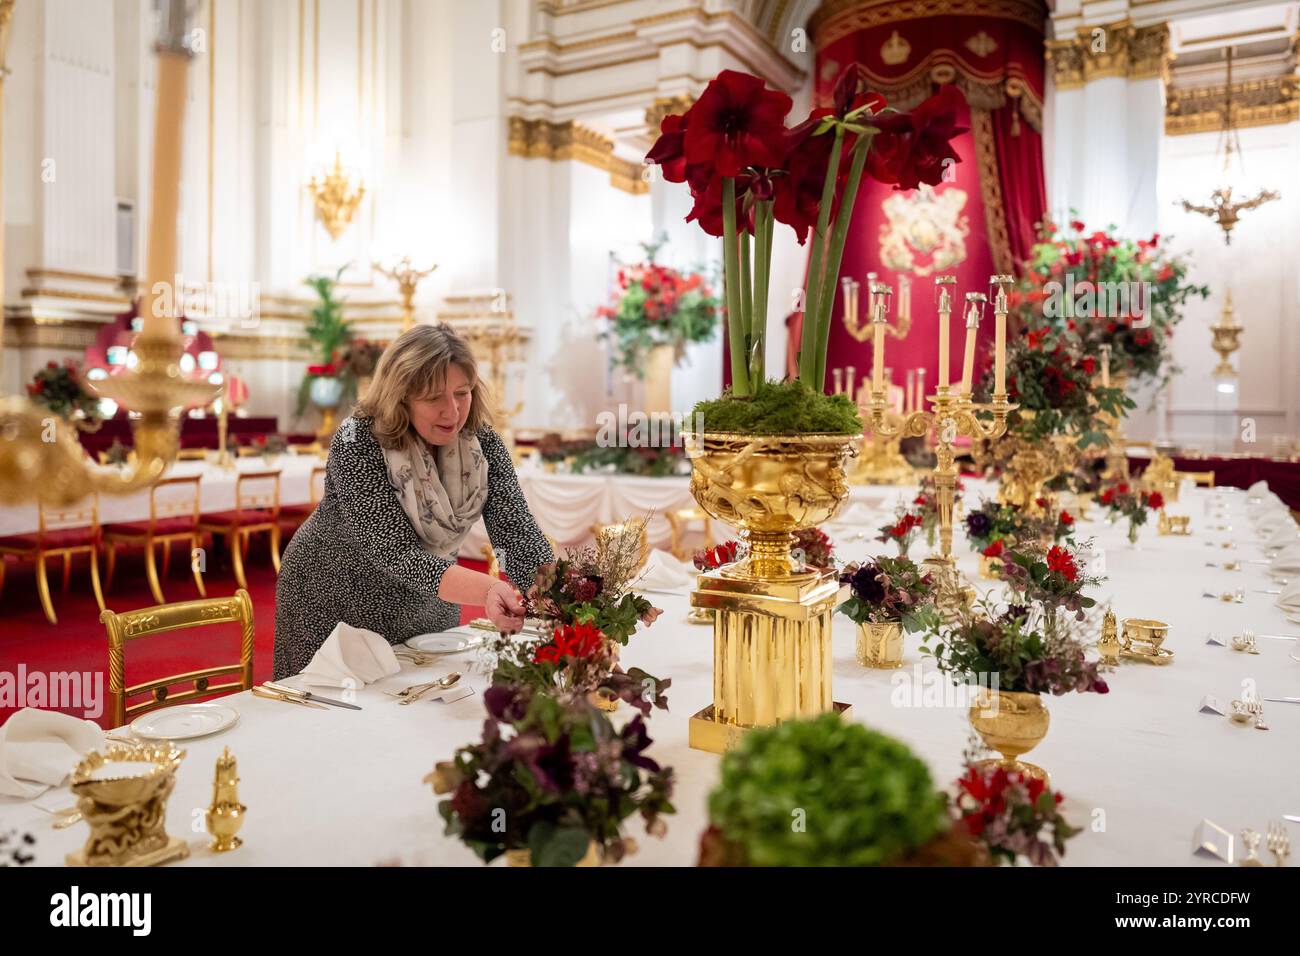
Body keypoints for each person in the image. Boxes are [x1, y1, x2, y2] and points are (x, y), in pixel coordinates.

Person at [273, 324, 553, 680]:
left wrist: (566, 595)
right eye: (434, 397)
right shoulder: (358, 441)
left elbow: (517, 534)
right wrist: (488, 589)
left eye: (462, 393)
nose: (451, 411)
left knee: (424, 706)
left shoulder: (484, 445)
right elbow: (396, 553)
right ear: (400, 395)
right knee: (331, 717)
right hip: (336, 598)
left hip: (430, 599)